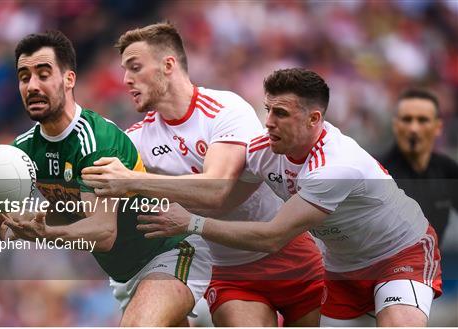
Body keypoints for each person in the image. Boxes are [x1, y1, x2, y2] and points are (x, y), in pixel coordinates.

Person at [0, 30, 212, 327]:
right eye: (24, 77)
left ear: (69, 79)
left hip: (171, 251)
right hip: (125, 275)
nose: (32, 85)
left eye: (44, 74)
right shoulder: (23, 151)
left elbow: (104, 233)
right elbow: (3, 226)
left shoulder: (96, 141)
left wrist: (44, 234)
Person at [137, 68, 443, 327]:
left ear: (313, 119)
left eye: (281, 113)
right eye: (268, 109)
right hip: (339, 269)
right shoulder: (261, 152)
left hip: (399, 253)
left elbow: (271, 237)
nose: (268, 121)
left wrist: (190, 222)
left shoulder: (335, 165)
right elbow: (222, 200)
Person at [81, 23, 324, 326]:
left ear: (168, 65)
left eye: (135, 67)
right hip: (227, 273)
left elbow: (216, 191)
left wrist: (131, 179)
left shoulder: (224, 109)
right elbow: (98, 194)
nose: (126, 80)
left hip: (288, 251)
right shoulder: (137, 141)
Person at [379, 88, 458, 240]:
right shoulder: (378, 173)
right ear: (395, 125)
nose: (414, 128)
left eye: (423, 120)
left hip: (434, 262)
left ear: (438, 127)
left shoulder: (447, 170)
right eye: (407, 119)